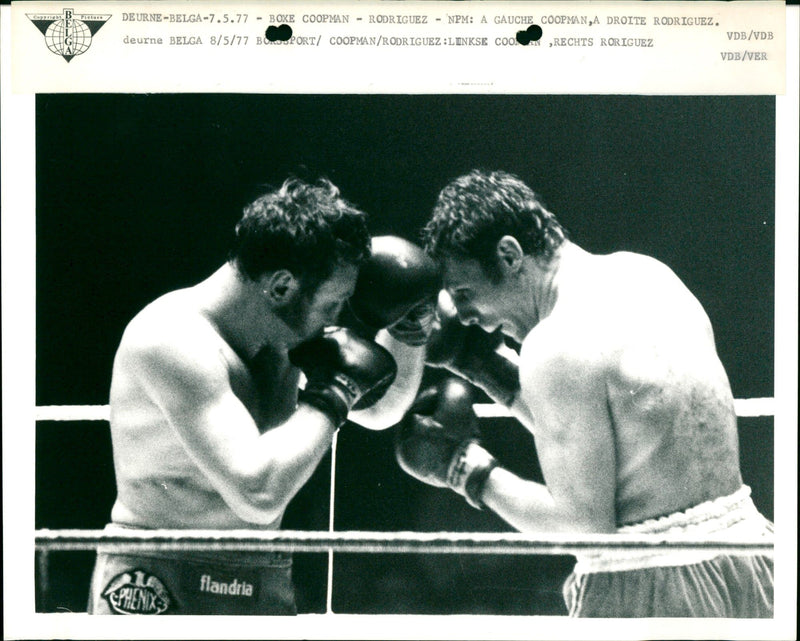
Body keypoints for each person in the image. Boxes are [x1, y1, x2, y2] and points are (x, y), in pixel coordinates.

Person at [395, 169, 774, 618]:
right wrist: (486, 367)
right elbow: (616, 437)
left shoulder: (554, 345)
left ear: (509, 254)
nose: (467, 316)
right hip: (755, 559)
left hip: (651, 585)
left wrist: (465, 470)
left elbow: (585, 533)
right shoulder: (648, 274)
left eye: (465, 292)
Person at [88, 177, 437, 615]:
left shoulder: (283, 337)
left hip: (262, 573)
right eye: (332, 303)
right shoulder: (172, 340)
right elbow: (256, 493)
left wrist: (410, 327)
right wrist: (336, 391)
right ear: (282, 287)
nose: (336, 318)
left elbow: (382, 410)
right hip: (158, 578)